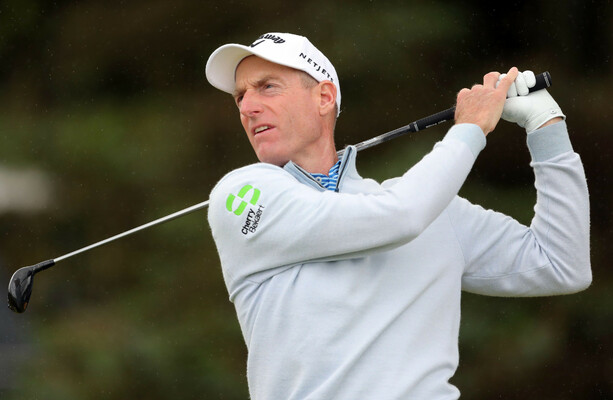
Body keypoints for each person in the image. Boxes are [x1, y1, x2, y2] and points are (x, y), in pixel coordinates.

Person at [205, 32, 591, 399]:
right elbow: (399, 217)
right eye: (240, 96)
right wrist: (471, 128)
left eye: (267, 87)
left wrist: (546, 126)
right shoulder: (241, 196)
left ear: (324, 97)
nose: (247, 107)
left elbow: (561, 264)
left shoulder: (432, 206)